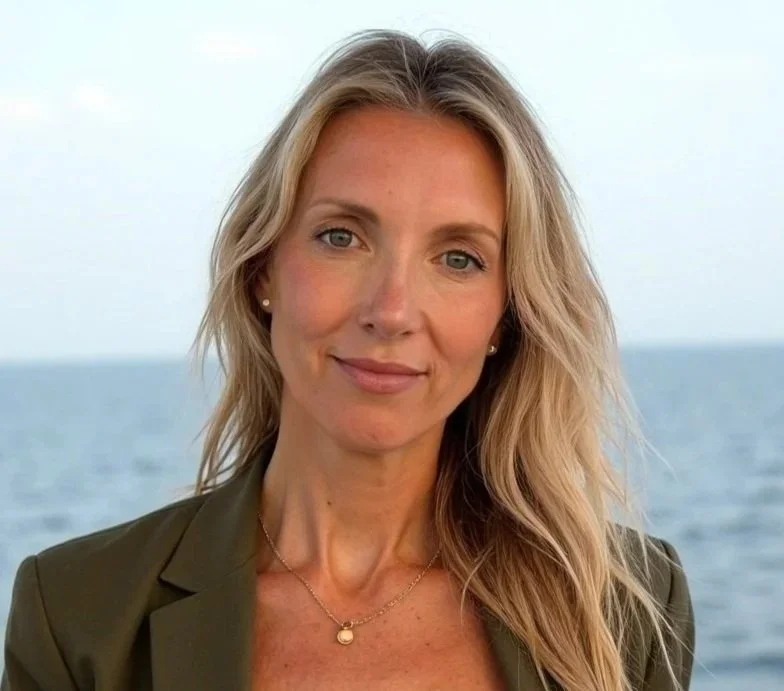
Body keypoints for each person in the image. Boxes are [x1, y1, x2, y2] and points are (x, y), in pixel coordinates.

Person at [2, 29, 695, 691]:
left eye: (459, 258)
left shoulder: (623, 609)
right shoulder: (78, 614)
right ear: (263, 269)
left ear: (505, 316)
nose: (391, 311)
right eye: (342, 237)